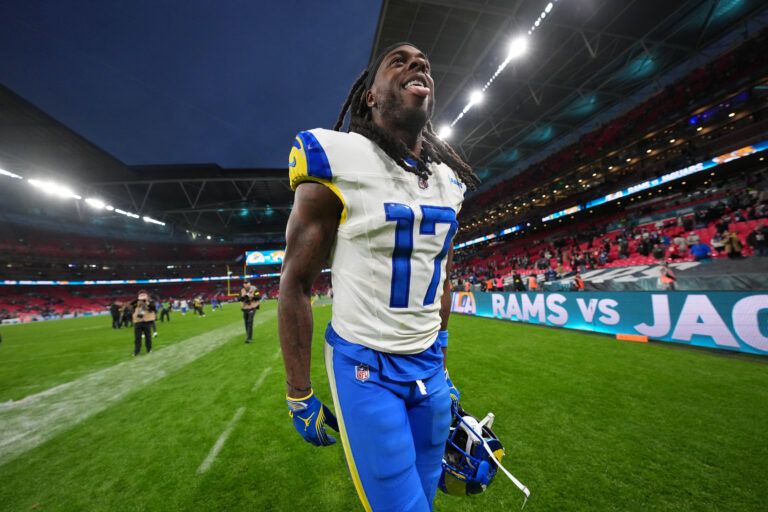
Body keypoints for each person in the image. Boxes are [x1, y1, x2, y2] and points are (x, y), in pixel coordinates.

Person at [279, 42, 479, 512]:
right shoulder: (336, 156)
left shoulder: (449, 179)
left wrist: (443, 354)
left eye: (424, 62)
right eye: (399, 60)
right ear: (370, 96)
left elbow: (442, 273)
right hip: (366, 366)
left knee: (425, 496)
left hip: (429, 365)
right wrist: (298, 391)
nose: (418, 65)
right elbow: (296, 282)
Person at [130, 290, 157, 356]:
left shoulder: (150, 302)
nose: (142, 296)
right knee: (137, 338)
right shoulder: (136, 302)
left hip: (147, 321)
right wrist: (138, 300)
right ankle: (136, 351)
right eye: (141, 295)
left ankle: (149, 349)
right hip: (138, 321)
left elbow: (153, 308)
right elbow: (131, 305)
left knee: (148, 337)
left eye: (144, 295)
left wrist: (147, 302)